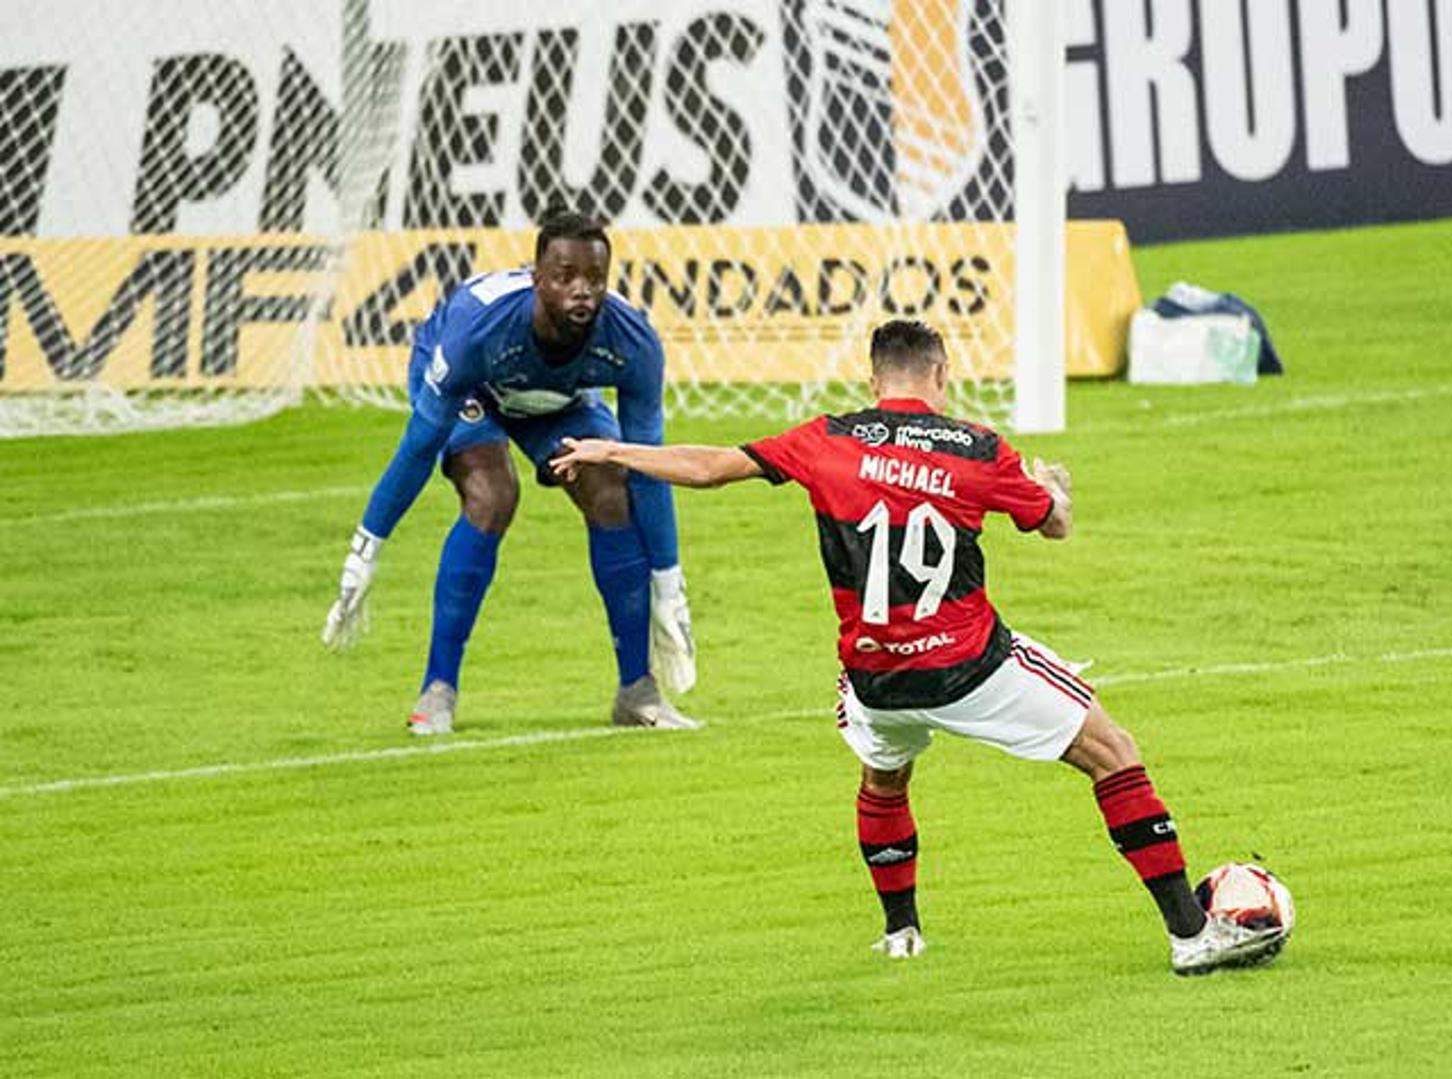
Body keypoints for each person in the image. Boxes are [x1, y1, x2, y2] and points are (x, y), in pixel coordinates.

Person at [549, 319, 1285, 975]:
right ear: (941, 375)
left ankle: (901, 932)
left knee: (884, 777)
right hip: (969, 667)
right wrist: (1053, 489)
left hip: (872, 675)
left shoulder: (825, 438)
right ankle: (1192, 933)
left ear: (872, 381)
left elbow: (710, 466)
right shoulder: (977, 447)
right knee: (1113, 752)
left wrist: (613, 447)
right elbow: (1053, 523)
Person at [322, 210, 698, 735]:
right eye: (564, 276)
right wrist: (367, 549)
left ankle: (637, 692)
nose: (581, 291)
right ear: (536, 277)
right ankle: (437, 691)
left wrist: (668, 581)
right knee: (493, 495)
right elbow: (417, 447)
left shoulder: (631, 341)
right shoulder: (477, 331)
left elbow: (647, 465)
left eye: (594, 279)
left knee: (611, 490)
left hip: (554, 396)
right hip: (474, 388)